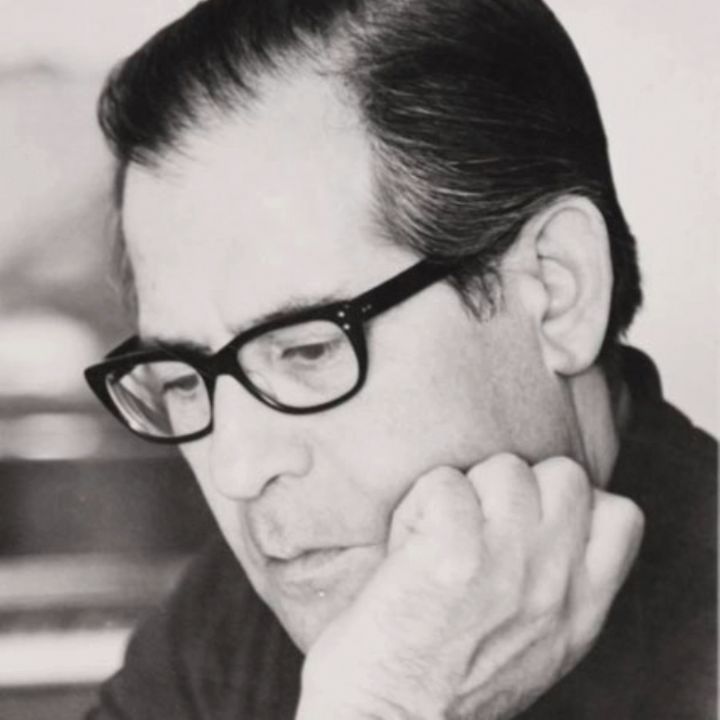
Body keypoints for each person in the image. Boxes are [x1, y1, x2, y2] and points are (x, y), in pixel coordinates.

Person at [83, 0, 717, 717]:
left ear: (556, 291)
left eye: (308, 349)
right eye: (182, 380)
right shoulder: (229, 623)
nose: (237, 471)